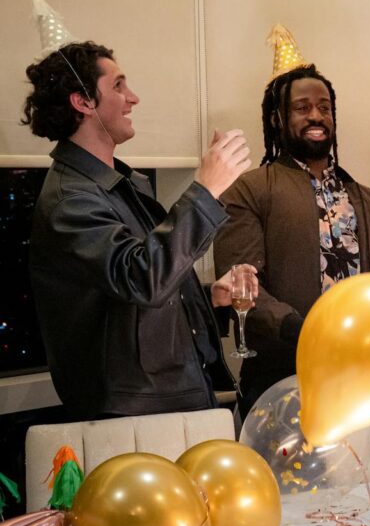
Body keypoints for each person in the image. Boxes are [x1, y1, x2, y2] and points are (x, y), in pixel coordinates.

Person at [25, 41, 253, 419]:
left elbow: (132, 291)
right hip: (135, 414)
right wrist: (206, 189)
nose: (133, 98)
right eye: (118, 86)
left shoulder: (119, 184)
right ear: (83, 101)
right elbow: (142, 278)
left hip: (171, 400)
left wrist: (209, 295)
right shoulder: (71, 200)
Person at [214, 63, 370, 416]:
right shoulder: (249, 190)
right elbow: (241, 282)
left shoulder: (365, 198)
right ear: (277, 119)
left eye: (325, 107)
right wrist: (305, 330)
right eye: (302, 108)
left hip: (362, 375)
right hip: (281, 376)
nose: (316, 116)